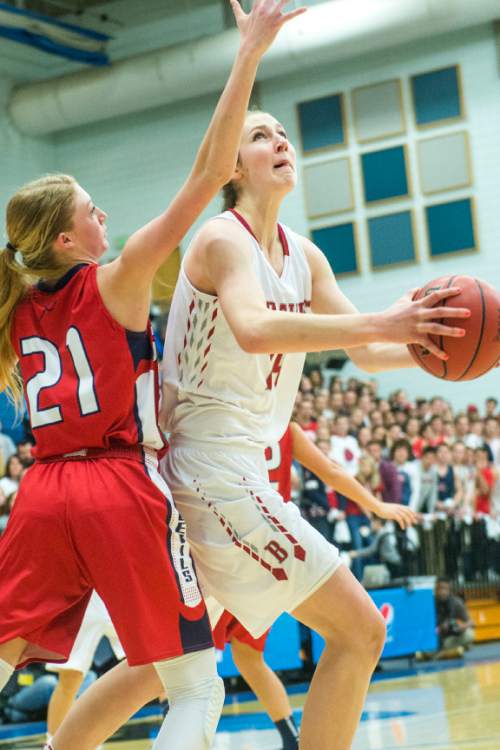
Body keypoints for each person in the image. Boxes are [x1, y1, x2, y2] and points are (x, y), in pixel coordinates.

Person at [55, 72, 470, 750]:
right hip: (208, 469)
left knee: (161, 667)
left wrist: (429, 340)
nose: (278, 140)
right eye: (259, 135)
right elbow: (252, 326)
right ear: (234, 168)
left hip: (228, 474)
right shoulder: (221, 238)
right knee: (361, 631)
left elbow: (369, 355)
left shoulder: (302, 255)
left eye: (281, 133)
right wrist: (384, 321)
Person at [0, 4, 298, 750]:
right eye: (92, 212)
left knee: (3, 655)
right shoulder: (120, 275)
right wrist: (248, 54)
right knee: (195, 689)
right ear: (69, 238)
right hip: (117, 486)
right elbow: (207, 175)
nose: (107, 217)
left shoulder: (12, 309)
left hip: (41, 492)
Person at [213, 421, 415, 750]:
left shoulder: (226, 418)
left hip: (230, 544)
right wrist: (377, 506)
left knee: (180, 663)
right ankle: (291, 738)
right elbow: (332, 471)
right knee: (248, 657)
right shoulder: (283, 427)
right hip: (274, 554)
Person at [45, 592, 125, 748]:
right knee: (71, 678)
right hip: (83, 594)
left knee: (157, 661)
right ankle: (53, 743)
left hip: (119, 588)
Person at [434, 578, 475, 658]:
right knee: (425, 648)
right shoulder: (430, 603)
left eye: (445, 588)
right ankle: (453, 652)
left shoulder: (456, 602)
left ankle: (444, 653)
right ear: (435, 590)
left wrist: (462, 626)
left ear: (449, 590)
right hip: (435, 639)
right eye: (440, 588)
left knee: (470, 634)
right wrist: (439, 629)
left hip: (450, 639)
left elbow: (471, 622)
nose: (442, 592)